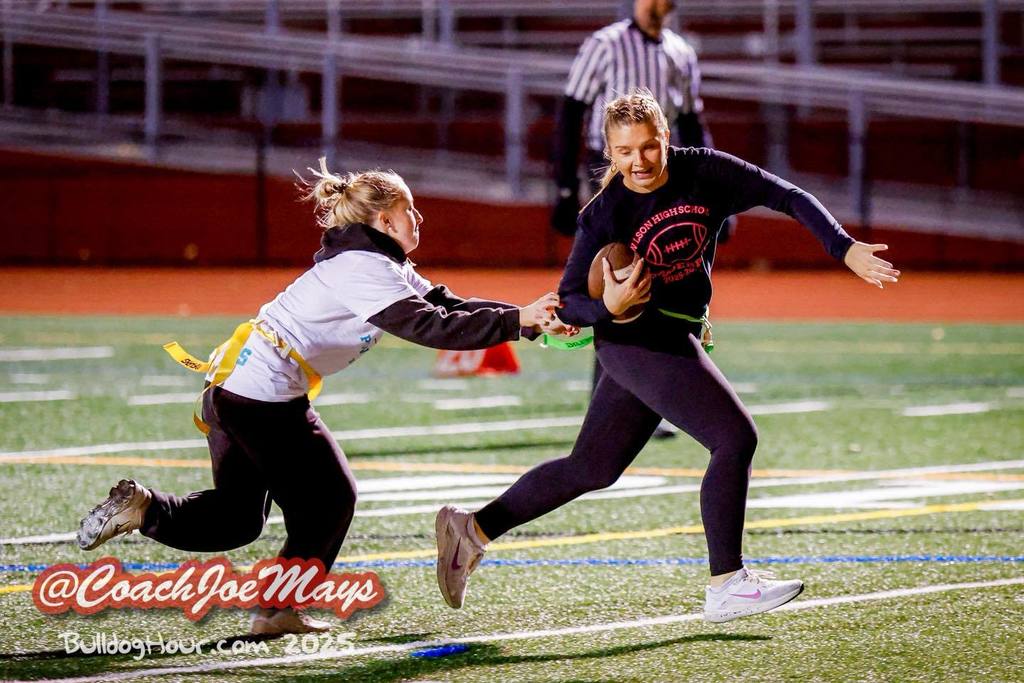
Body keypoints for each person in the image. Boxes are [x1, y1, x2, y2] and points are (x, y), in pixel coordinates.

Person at [436, 90, 899, 623]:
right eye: (625, 151)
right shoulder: (603, 214)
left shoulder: (703, 172)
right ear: (610, 152)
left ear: (665, 138)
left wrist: (843, 247)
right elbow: (572, 303)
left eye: (649, 147)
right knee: (735, 438)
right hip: (636, 340)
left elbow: (787, 195)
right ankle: (727, 582)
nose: (639, 162)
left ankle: (470, 530)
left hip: (672, 334)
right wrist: (606, 304)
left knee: (592, 467)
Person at [76, 159, 572, 636]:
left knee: (236, 517)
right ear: (384, 218)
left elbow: (444, 303)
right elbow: (429, 326)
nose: (418, 218)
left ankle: (143, 508)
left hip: (242, 389)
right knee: (331, 500)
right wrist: (519, 320)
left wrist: (527, 319)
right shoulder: (365, 267)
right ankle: (276, 611)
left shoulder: (376, 262)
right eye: (411, 210)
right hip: (260, 395)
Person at [552, 0, 726, 438]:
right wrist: (564, 185)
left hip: (666, 176)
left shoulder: (680, 51)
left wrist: (712, 192)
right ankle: (613, 403)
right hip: (613, 173)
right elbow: (571, 109)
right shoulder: (605, 43)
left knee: (661, 280)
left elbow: (690, 121)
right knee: (616, 280)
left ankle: (647, 398)